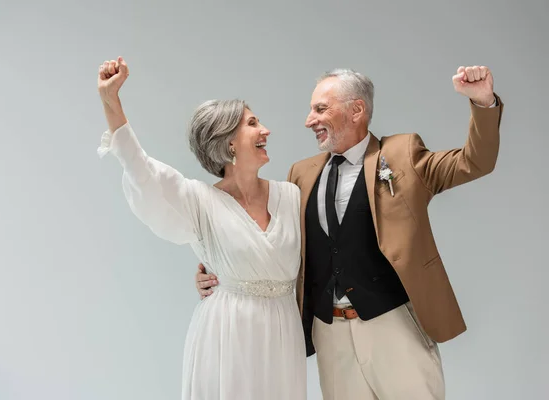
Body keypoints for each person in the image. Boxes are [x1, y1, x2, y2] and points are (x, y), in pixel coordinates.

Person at [196, 65, 503, 399]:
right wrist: (219, 272)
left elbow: (475, 161)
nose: (309, 120)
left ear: (356, 110)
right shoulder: (301, 174)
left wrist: (483, 103)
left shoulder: (401, 154)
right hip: (330, 333)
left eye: (320, 109)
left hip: (393, 324)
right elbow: (273, 239)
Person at [96, 56, 306, 399]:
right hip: (227, 337)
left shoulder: (291, 196)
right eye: (253, 123)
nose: (266, 129)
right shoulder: (198, 201)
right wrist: (111, 102)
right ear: (229, 142)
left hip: (283, 336)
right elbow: (144, 172)